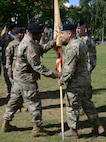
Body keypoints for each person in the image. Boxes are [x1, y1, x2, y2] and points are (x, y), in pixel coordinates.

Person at [1, 22, 61, 137]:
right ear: (33, 34)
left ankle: (6, 123)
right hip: (26, 78)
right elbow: (37, 66)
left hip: (18, 77)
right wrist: (55, 74)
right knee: (34, 103)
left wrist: (53, 43)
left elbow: (41, 49)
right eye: (39, 33)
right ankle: (37, 128)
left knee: (14, 101)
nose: (41, 35)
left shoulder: (30, 40)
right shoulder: (29, 45)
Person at [59, 23, 105, 139]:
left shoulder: (72, 47)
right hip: (85, 78)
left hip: (76, 81)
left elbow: (69, 69)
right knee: (87, 103)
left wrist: (62, 79)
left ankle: (73, 130)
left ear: (69, 34)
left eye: (62, 33)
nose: (61, 36)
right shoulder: (81, 43)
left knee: (72, 105)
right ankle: (98, 126)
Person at [76, 20, 97, 115]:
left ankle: (85, 107)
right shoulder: (76, 40)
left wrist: (87, 70)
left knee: (86, 90)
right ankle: (80, 106)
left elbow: (92, 58)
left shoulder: (88, 41)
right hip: (77, 70)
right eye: (76, 28)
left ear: (85, 29)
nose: (77, 30)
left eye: (79, 28)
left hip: (85, 70)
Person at [5, 27, 25, 111]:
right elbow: (8, 58)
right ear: (16, 35)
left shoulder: (25, 43)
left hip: (23, 70)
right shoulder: (12, 44)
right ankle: (17, 106)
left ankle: (21, 105)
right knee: (15, 89)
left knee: (23, 89)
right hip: (14, 69)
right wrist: (9, 70)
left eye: (22, 33)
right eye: (19, 33)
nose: (21, 35)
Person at [1, 23, 17, 98]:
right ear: (12, 30)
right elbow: (5, 50)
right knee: (7, 77)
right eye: (15, 29)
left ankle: (13, 92)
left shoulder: (16, 37)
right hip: (7, 60)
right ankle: (9, 92)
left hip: (15, 61)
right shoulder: (7, 38)